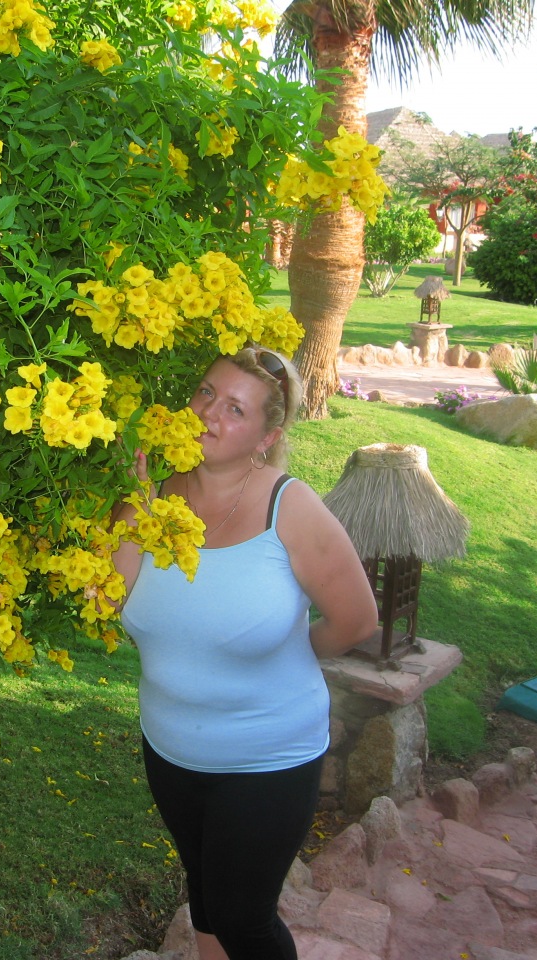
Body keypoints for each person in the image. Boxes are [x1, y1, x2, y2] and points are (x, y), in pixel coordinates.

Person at [112, 344, 379, 960]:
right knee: (206, 898)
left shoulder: (291, 508)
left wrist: (291, 648)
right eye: (206, 393)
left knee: (243, 920)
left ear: (267, 437)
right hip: (170, 748)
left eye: (235, 408)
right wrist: (137, 498)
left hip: (267, 756)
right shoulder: (155, 495)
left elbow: (357, 620)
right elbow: (107, 597)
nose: (209, 413)